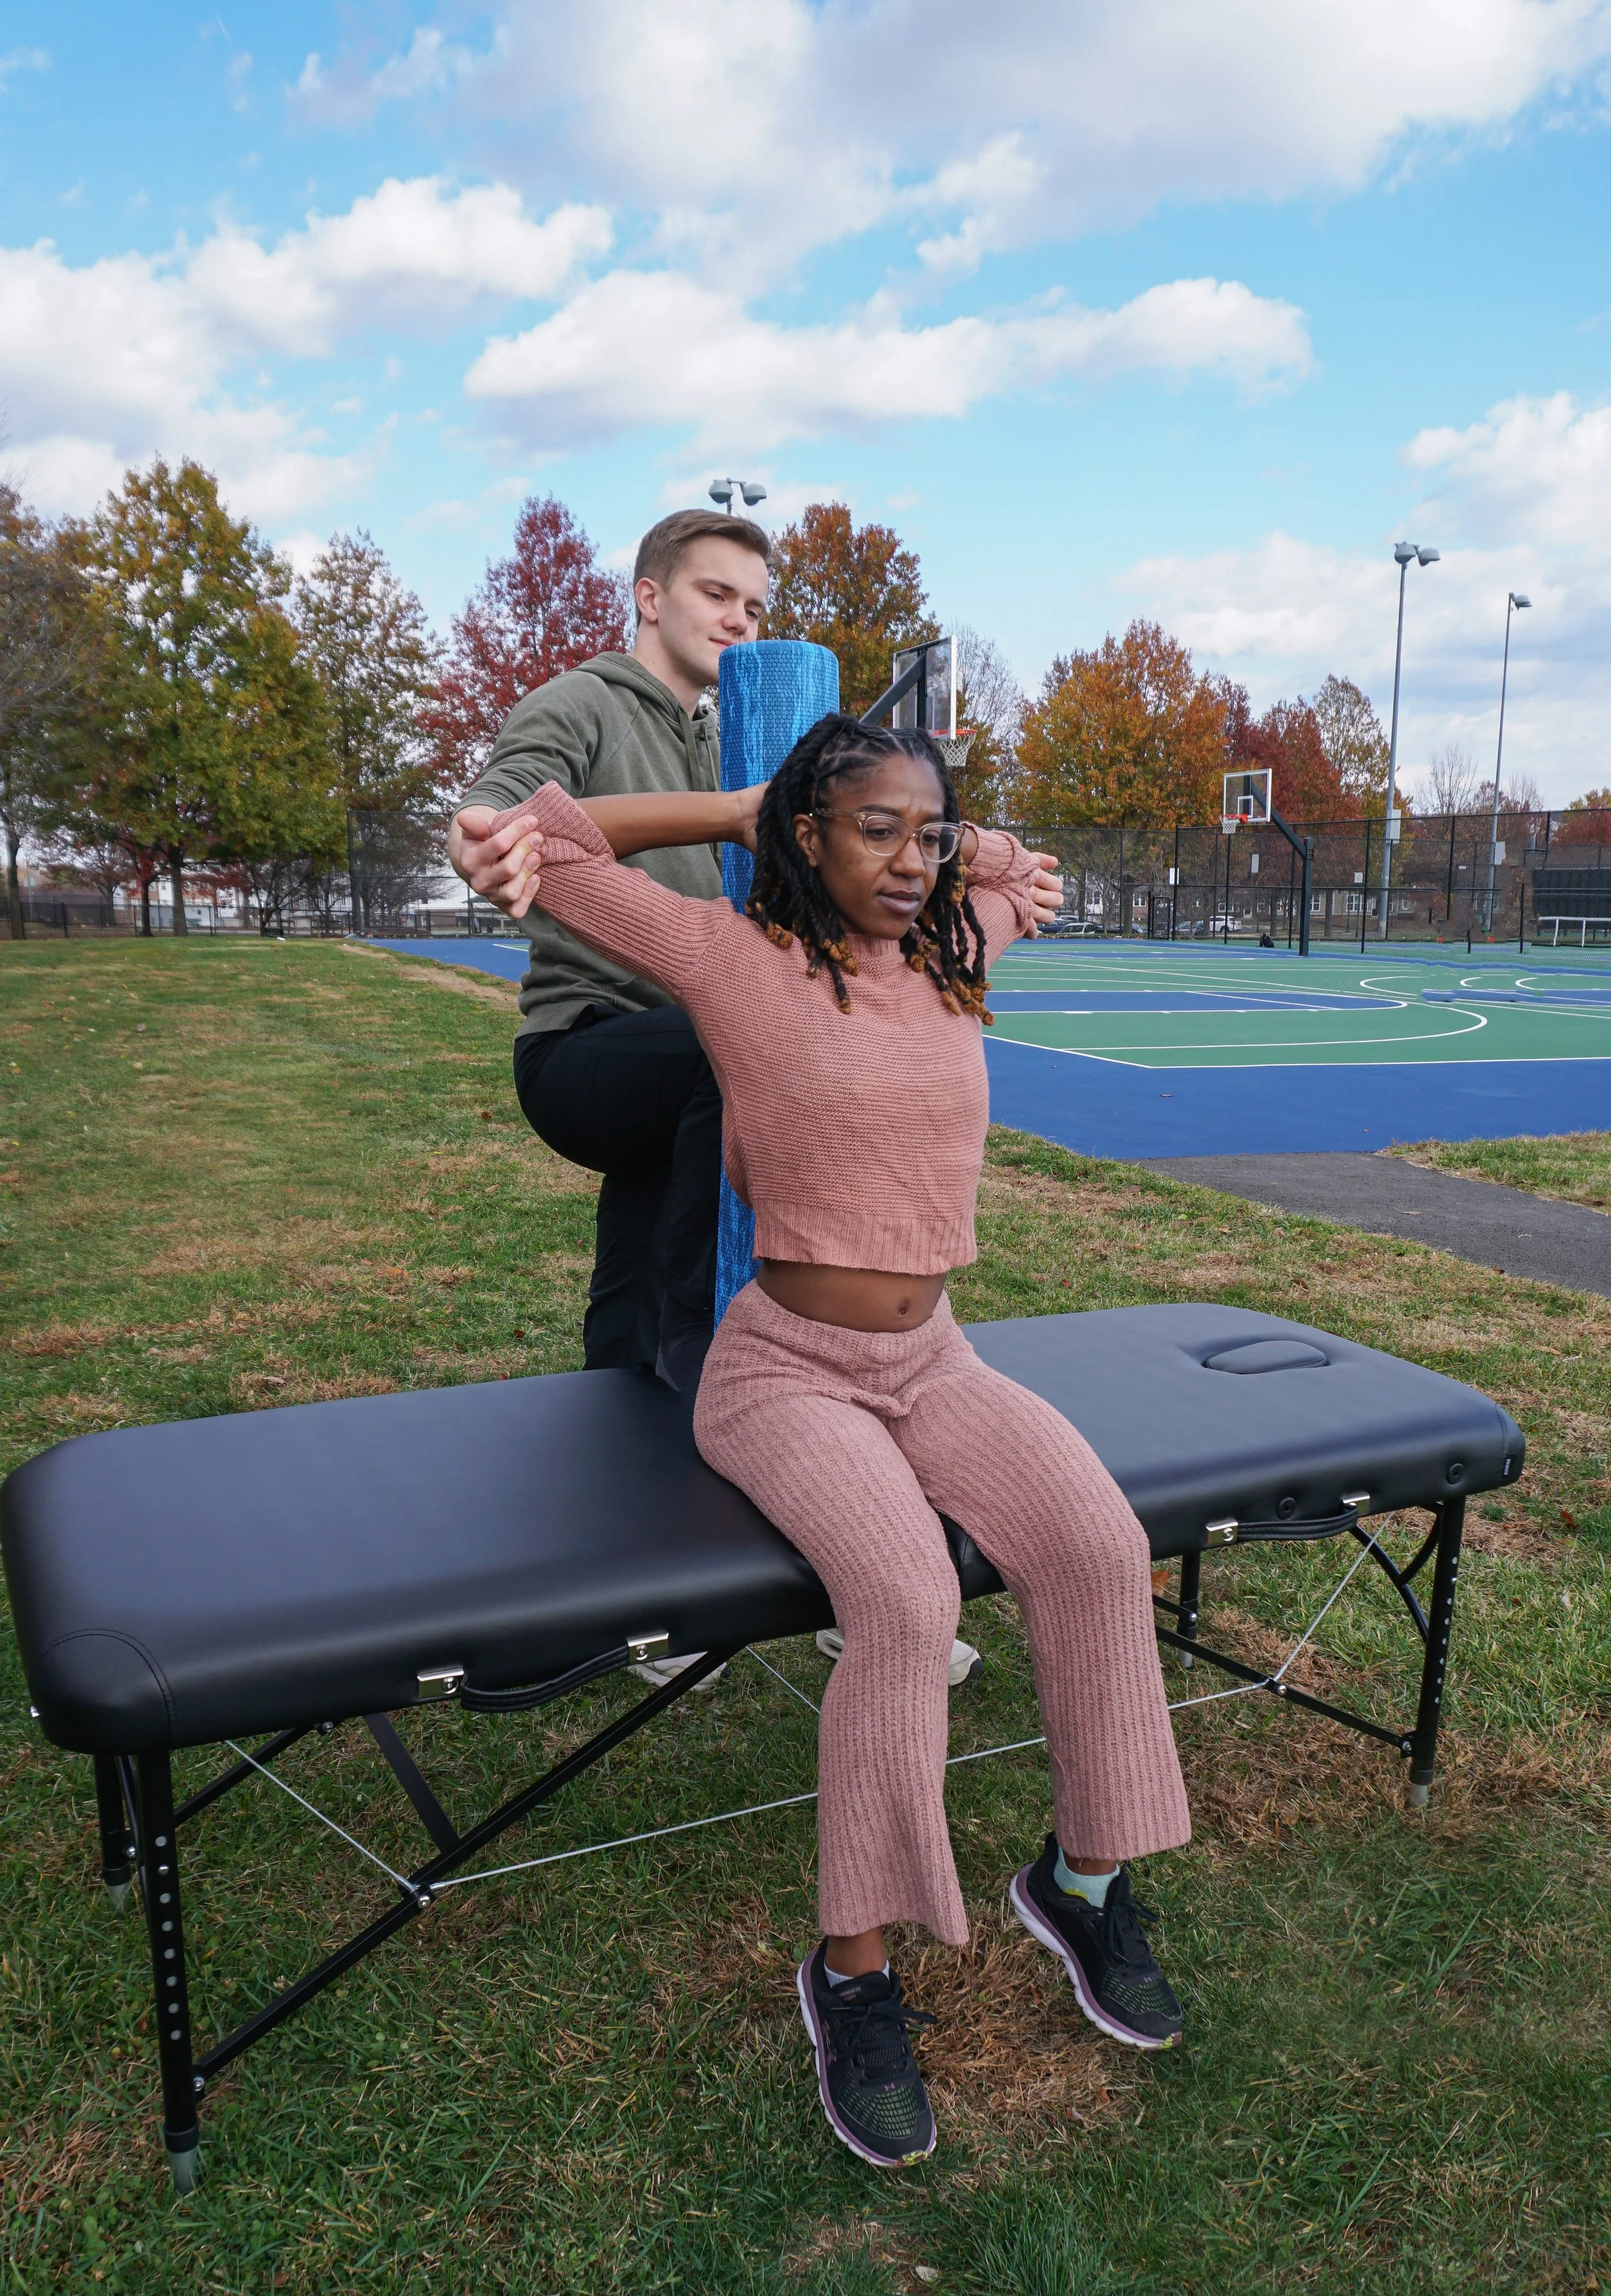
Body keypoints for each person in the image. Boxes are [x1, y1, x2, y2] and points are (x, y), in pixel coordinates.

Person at [474, 713, 1193, 2170]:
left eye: (929, 835)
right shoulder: (735, 961)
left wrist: (956, 838)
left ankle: (1079, 1883)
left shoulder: (955, 949)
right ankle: (854, 1971)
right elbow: (552, 836)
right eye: (874, 831)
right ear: (804, 838)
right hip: (784, 1373)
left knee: (1099, 1544)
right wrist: (743, 804)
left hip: (934, 1358)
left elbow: (1018, 868)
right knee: (908, 1599)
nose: (912, 862)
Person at [450, 512, 987, 1695]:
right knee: (704, 1268)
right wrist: (724, 810)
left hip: (695, 1062)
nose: (740, 619)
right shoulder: (587, 703)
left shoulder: (729, 726)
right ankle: (717, 1395)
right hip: (593, 1046)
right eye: (715, 594)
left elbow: (886, 836)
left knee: (634, 1276)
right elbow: (494, 812)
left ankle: (700, 1574)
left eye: (755, 603)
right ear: (649, 596)